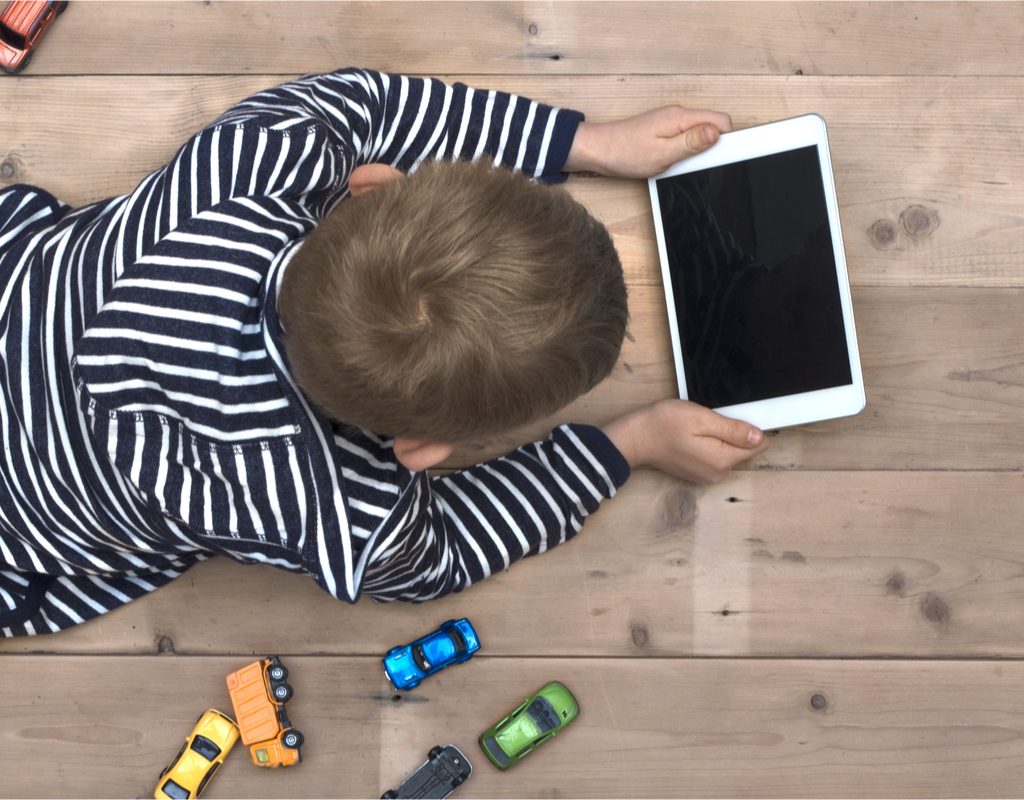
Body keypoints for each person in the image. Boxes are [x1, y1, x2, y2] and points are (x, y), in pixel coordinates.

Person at [0, 68, 768, 638]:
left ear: (366, 189)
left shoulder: (253, 156)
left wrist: (584, 142)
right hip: (25, 519)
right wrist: (626, 446)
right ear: (423, 448)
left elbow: (368, 104)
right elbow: (446, 552)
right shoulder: (342, 511)